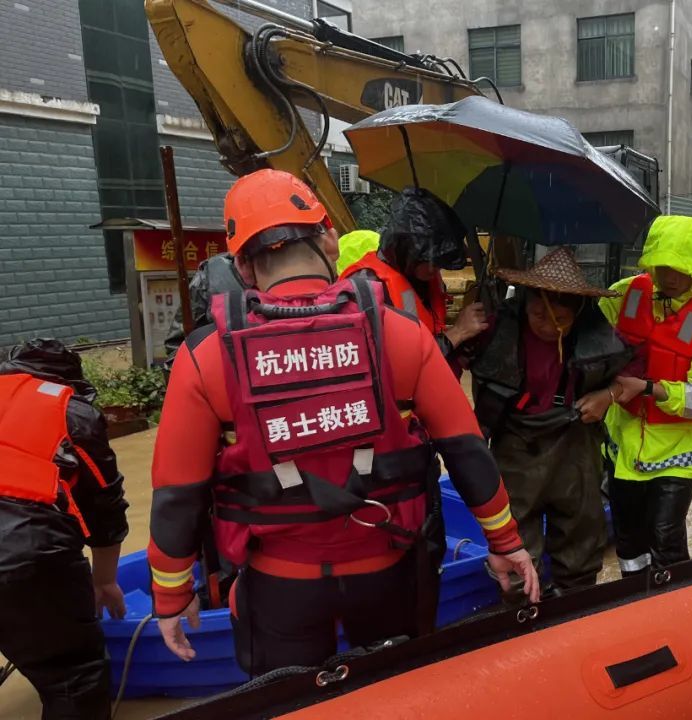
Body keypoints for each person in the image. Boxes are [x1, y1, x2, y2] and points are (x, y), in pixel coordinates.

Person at [149, 169, 537, 676]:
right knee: (394, 697)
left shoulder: (205, 357)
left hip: (280, 587)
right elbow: (466, 450)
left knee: (292, 706)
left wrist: (171, 593)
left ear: (241, 265)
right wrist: (505, 543)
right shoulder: (402, 334)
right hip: (387, 575)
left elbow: (178, 492)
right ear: (330, 240)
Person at [470, 247, 632, 595]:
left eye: (560, 318)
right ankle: (522, 607)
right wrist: (457, 332)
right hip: (515, 446)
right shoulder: (497, 329)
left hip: (575, 444)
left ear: (578, 312)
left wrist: (608, 395)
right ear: (525, 305)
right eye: (538, 315)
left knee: (581, 539)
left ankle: (575, 605)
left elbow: (635, 375)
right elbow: (442, 366)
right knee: (513, 541)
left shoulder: (600, 335)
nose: (548, 326)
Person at [598, 216, 692, 576]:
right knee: (628, 539)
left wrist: (648, 388)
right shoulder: (626, 293)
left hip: (678, 450)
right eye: (661, 266)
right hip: (623, 442)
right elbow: (585, 324)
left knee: (666, 537)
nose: (669, 277)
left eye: (680, 269)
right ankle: (634, 593)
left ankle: (676, 599)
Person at [0, 339, 129, 720]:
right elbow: (104, 506)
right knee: (73, 676)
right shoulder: (71, 412)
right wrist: (104, 580)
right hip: (25, 554)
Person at [340, 187, 488, 358]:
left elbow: (430, 334)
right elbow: (390, 363)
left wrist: (461, 348)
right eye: (430, 261)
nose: (436, 269)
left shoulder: (423, 277)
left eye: (439, 262)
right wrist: (458, 333)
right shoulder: (365, 288)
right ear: (407, 251)